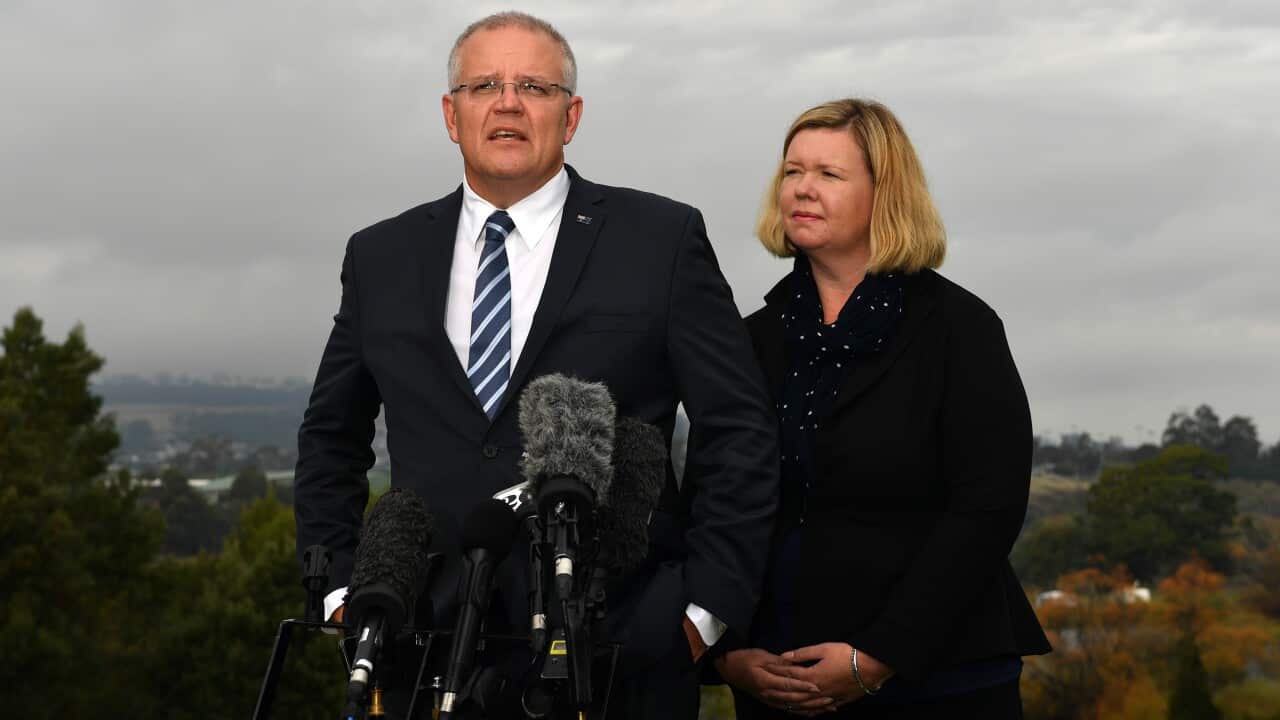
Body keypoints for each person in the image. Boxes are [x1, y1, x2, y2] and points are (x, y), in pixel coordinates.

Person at [292, 11, 779, 720]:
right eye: (484, 84)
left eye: (535, 86)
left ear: (571, 115)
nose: (508, 102)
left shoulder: (661, 239)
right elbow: (331, 437)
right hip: (422, 653)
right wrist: (342, 592)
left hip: (618, 651)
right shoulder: (380, 256)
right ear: (451, 115)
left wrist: (702, 612)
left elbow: (738, 428)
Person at [714, 99, 1051, 718]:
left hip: (939, 677)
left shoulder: (959, 328)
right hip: (778, 682)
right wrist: (728, 652)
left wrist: (878, 656)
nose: (802, 190)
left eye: (829, 175)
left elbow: (987, 508)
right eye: (793, 171)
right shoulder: (751, 339)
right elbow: (716, 502)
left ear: (886, 194)